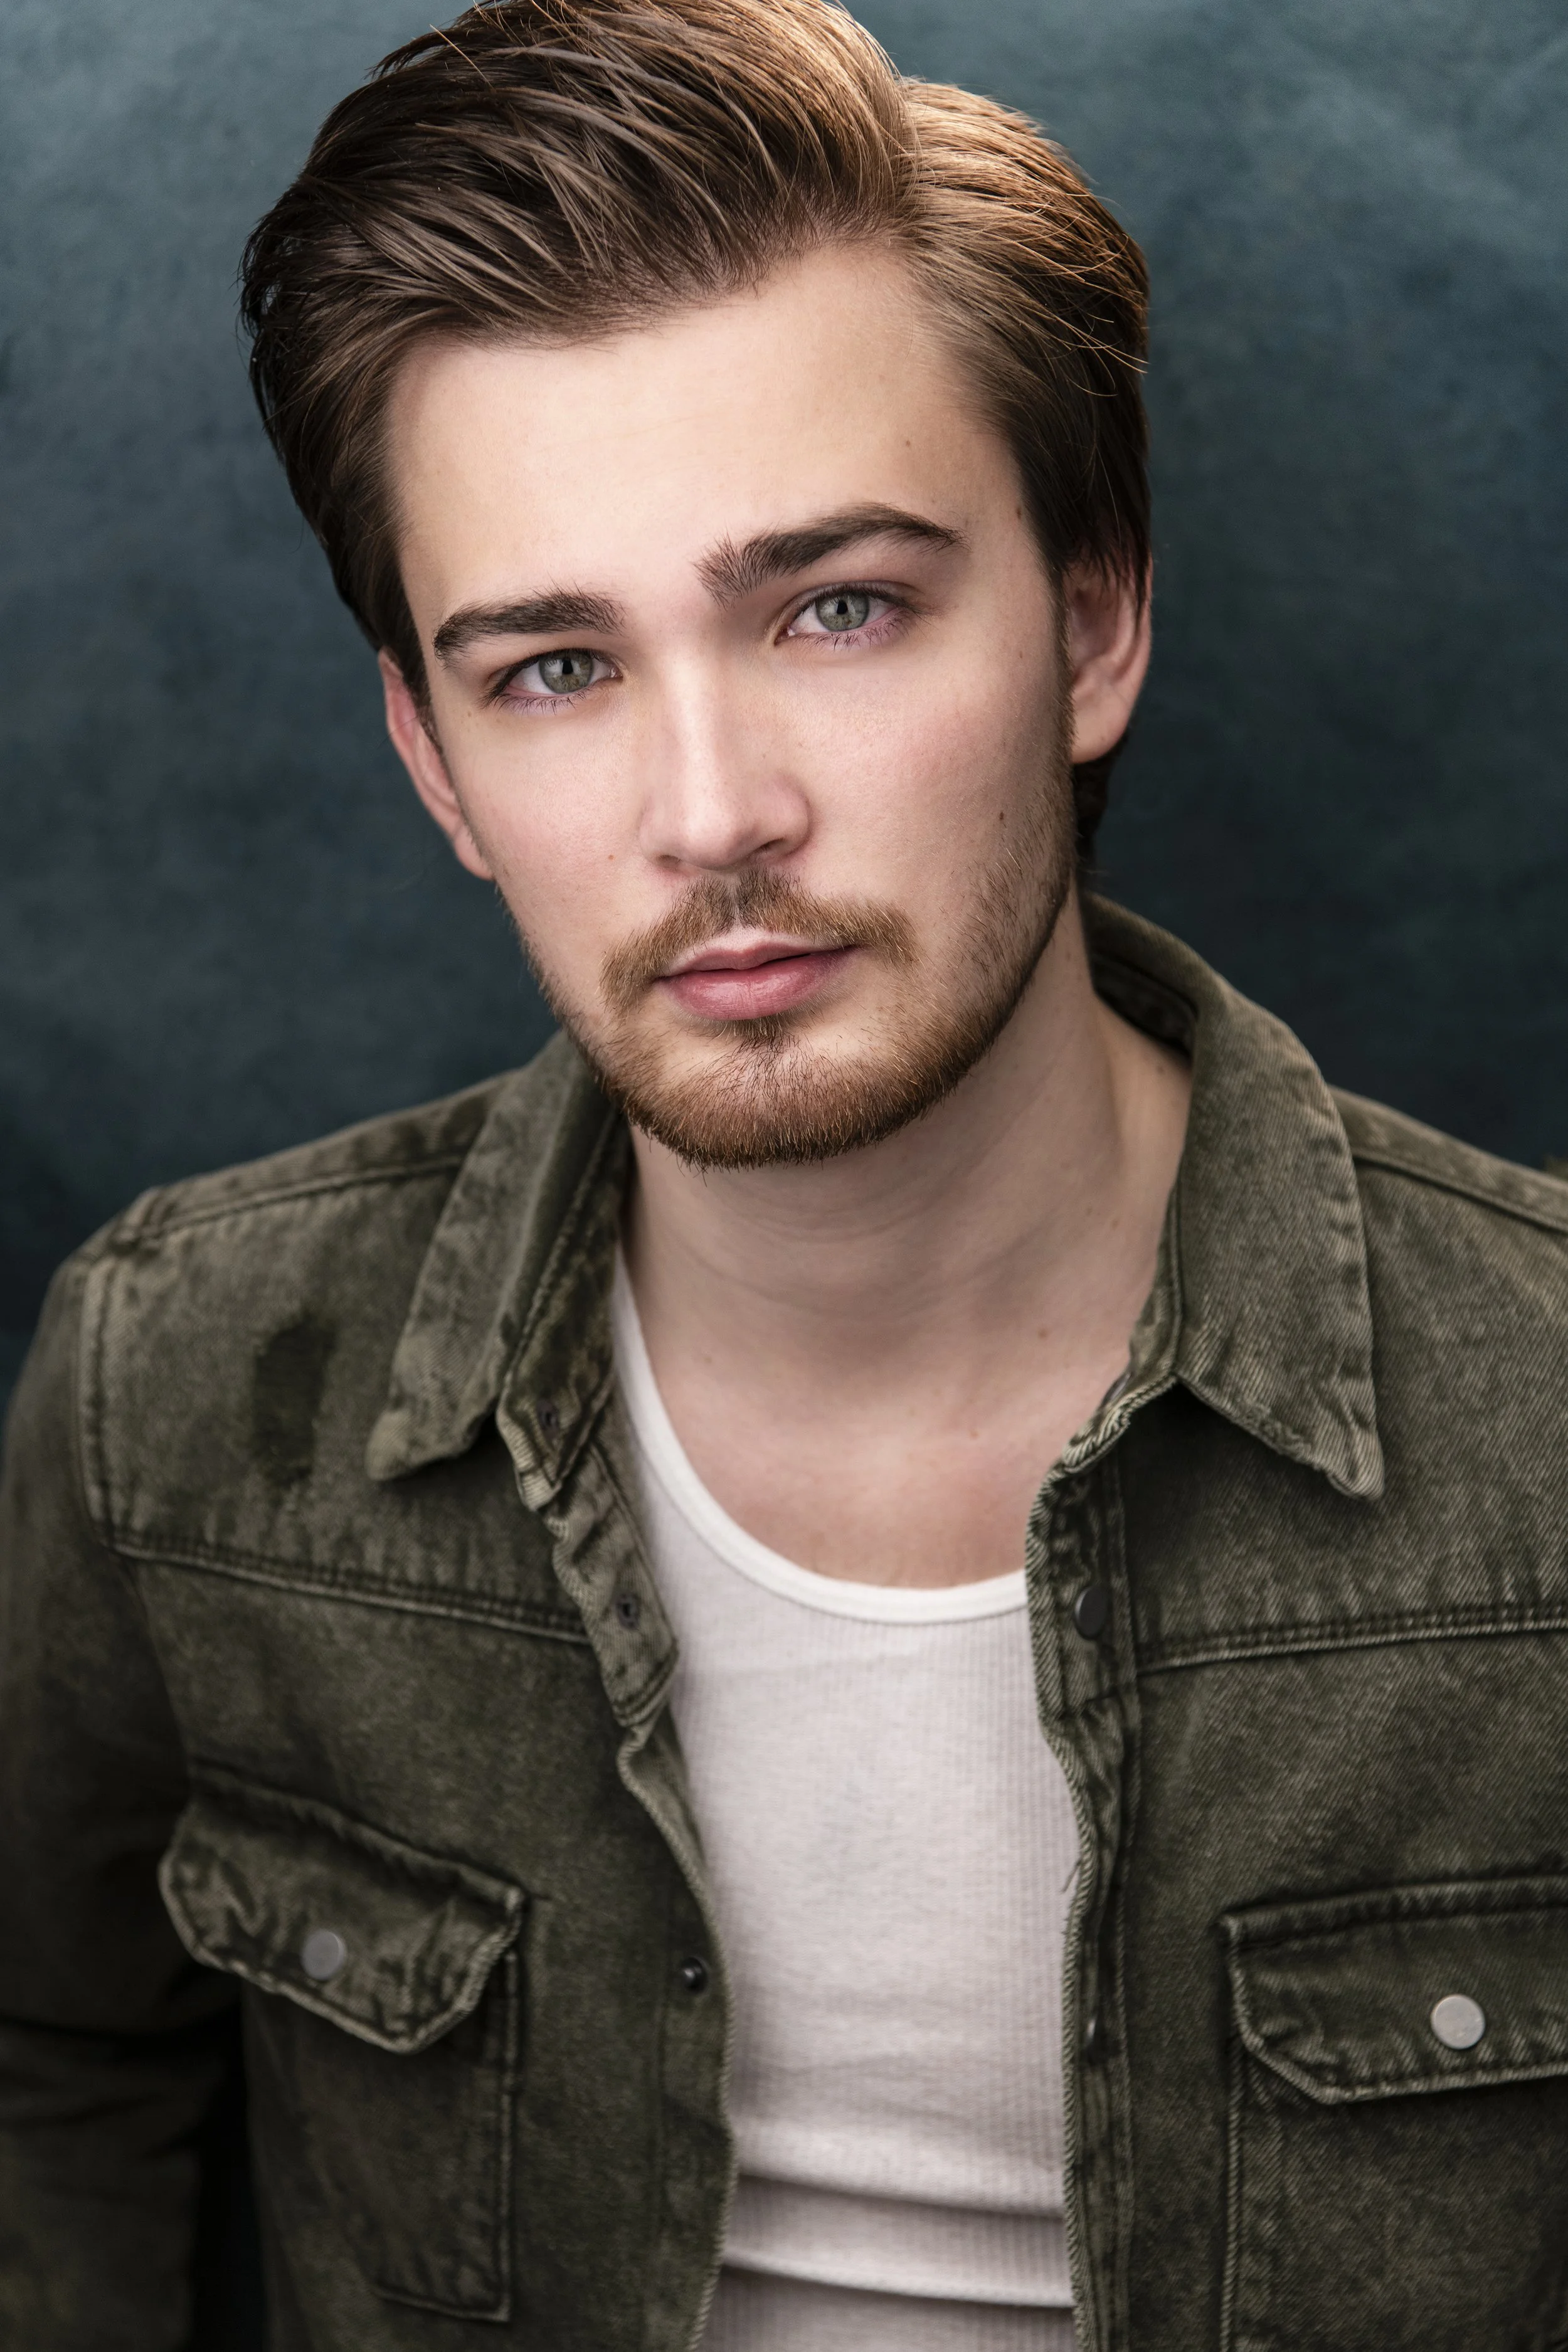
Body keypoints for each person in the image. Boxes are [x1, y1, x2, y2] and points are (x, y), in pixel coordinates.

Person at [4, 1, 1567, 2346]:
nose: (712, 806)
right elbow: (46, 2066)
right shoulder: (180, 1392)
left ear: (1093, 619)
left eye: (835, 605)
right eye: (553, 666)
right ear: (436, 768)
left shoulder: (1541, 1434)